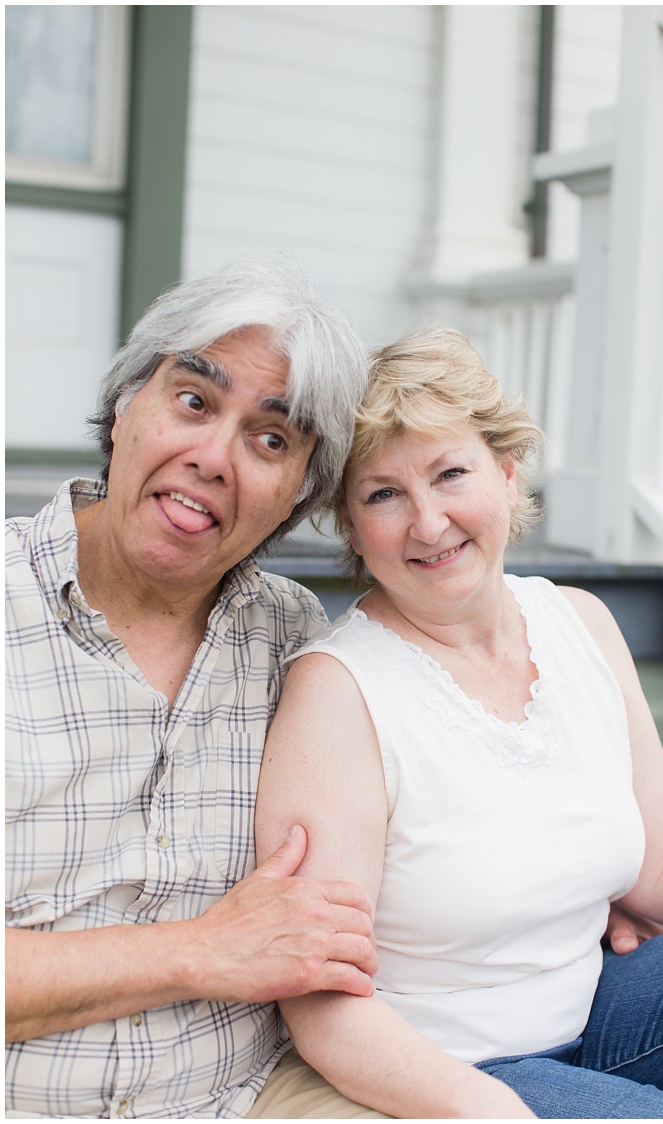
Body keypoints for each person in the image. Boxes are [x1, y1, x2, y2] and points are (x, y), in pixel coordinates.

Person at [253, 325, 663, 1119]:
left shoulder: (580, 622)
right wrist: (485, 1108)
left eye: (452, 473)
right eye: (383, 493)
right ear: (351, 525)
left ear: (508, 475)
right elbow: (319, 1002)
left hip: (607, 1010)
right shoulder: (339, 692)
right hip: (467, 1067)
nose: (428, 521)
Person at [4, 259, 389, 1117]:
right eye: (193, 400)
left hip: (250, 1094)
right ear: (124, 408)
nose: (214, 457)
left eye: (271, 440)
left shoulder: (296, 643)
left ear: (297, 497)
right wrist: (199, 951)